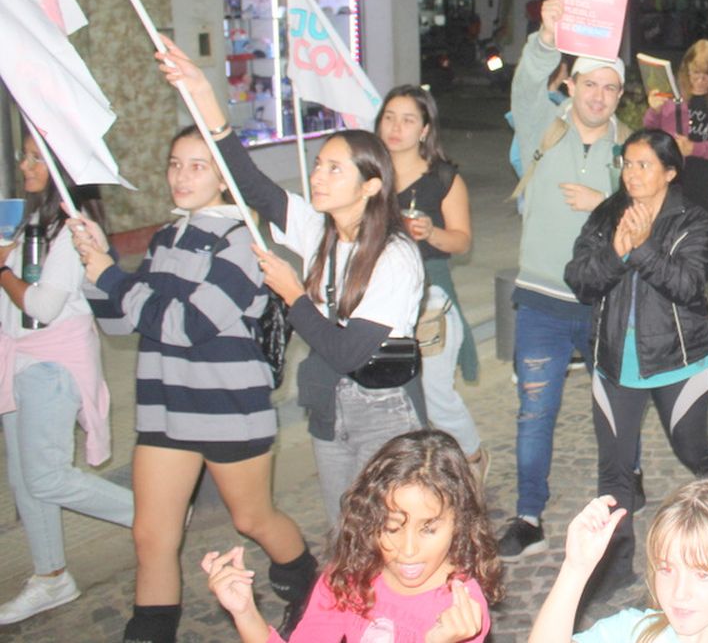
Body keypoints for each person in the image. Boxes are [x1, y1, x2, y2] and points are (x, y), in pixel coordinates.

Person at [157, 37, 425, 524]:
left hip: (382, 408)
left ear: (370, 186)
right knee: (344, 529)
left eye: (334, 170)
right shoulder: (317, 228)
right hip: (327, 400)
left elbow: (348, 351)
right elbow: (251, 183)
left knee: (389, 530)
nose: (318, 177)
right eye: (319, 165)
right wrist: (203, 96)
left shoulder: (396, 257)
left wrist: (293, 293)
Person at [75, 127, 316, 642]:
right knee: (152, 537)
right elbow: (124, 321)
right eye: (175, 163)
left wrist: (113, 279)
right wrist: (96, 268)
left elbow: (187, 325)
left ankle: (307, 586)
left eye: (197, 166)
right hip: (164, 409)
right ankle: (151, 631)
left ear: (224, 178)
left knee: (252, 519)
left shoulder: (241, 242)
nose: (181, 176)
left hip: (227, 408)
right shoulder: (168, 237)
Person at [564, 129, 708, 599]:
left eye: (644, 165)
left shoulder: (693, 221)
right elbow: (580, 280)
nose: (632, 174)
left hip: (678, 363)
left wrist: (640, 249)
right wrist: (618, 252)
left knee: (693, 450)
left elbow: (688, 285)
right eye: (627, 164)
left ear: (670, 172)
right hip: (616, 362)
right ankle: (615, 566)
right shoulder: (606, 215)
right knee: (614, 470)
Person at [503, 0, 629, 561]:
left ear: (619, 95)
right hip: (541, 303)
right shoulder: (542, 128)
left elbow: (649, 217)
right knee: (536, 412)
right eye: (589, 83)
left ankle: (620, 497)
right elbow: (526, 85)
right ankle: (529, 514)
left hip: (606, 302)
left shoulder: (631, 150)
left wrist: (603, 199)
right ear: (571, 85)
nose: (599, 95)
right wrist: (546, 38)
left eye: (610, 86)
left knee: (616, 409)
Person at [0, 136, 134, 627]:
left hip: (53, 364)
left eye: (37, 157)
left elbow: (41, 305)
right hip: (17, 359)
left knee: (46, 476)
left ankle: (150, 517)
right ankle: (51, 576)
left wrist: (1, 268)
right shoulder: (28, 219)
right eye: (26, 155)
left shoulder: (75, 230)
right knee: (23, 479)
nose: (24, 164)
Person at [203, 429, 502, 643]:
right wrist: (244, 613)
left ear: (460, 522)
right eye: (391, 527)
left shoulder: (460, 611)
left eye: (429, 528)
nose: (408, 550)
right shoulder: (350, 578)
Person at [529, 480, 708, 643]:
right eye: (666, 569)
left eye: (703, 574)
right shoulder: (636, 633)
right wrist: (575, 569)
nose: (680, 593)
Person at [378, 86, 485, 482]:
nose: (396, 127)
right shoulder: (370, 175)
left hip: (430, 299)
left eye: (408, 120)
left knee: (436, 397)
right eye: (389, 117)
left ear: (424, 129)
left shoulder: (442, 179)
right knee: (390, 399)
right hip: (377, 299)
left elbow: (462, 240)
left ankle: (472, 461)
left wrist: (430, 232)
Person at [645, 39, 708, 211]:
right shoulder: (673, 92)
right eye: (695, 73)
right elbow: (650, 131)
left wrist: (694, 148)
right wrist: (654, 110)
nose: (700, 80)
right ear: (686, 68)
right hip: (674, 183)